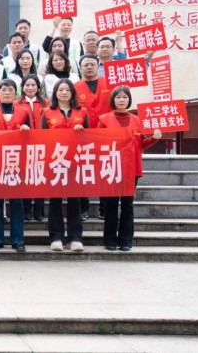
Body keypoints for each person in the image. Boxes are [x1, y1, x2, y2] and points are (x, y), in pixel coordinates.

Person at [98, 86, 162, 251]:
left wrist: (154, 138)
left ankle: (126, 240)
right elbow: (98, 142)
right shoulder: (104, 119)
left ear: (129, 100)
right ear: (113, 100)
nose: (121, 100)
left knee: (128, 205)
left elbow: (141, 143)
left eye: (125, 97)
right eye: (118, 97)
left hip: (131, 168)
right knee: (111, 204)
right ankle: (110, 240)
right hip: (112, 167)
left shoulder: (137, 120)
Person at [0, 79, 30, 252]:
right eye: (4, 89)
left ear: (16, 93)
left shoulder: (24, 112)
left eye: (10, 90)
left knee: (17, 202)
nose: (7, 93)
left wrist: (26, 131)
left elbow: (31, 138)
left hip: (17, 162)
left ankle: (18, 240)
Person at [41, 79, 88, 252]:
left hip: (76, 161)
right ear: (55, 93)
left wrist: (82, 132)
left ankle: (75, 238)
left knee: (75, 199)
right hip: (55, 161)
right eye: (60, 90)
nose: (64, 93)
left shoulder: (82, 112)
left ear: (72, 93)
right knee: (55, 200)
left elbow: (90, 136)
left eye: (67, 90)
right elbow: (41, 137)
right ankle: (56, 237)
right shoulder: (47, 112)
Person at [74, 54, 112, 219]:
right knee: (83, 171)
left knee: (105, 170)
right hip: (83, 135)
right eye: (85, 65)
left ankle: (105, 209)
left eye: (92, 64)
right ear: (80, 68)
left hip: (106, 134)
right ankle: (84, 208)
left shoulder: (110, 84)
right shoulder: (74, 88)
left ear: (98, 66)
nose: (89, 67)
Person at [15, 74, 47, 221]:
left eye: (33, 85)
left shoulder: (46, 103)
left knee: (40, 177)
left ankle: (39, 211)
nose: (30, 88)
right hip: (23, 144)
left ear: (38, 87)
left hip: (42, 144)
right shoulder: (16, 104)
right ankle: (26, 211)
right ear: (22, 87)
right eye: (27, 85)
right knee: (25, 178)